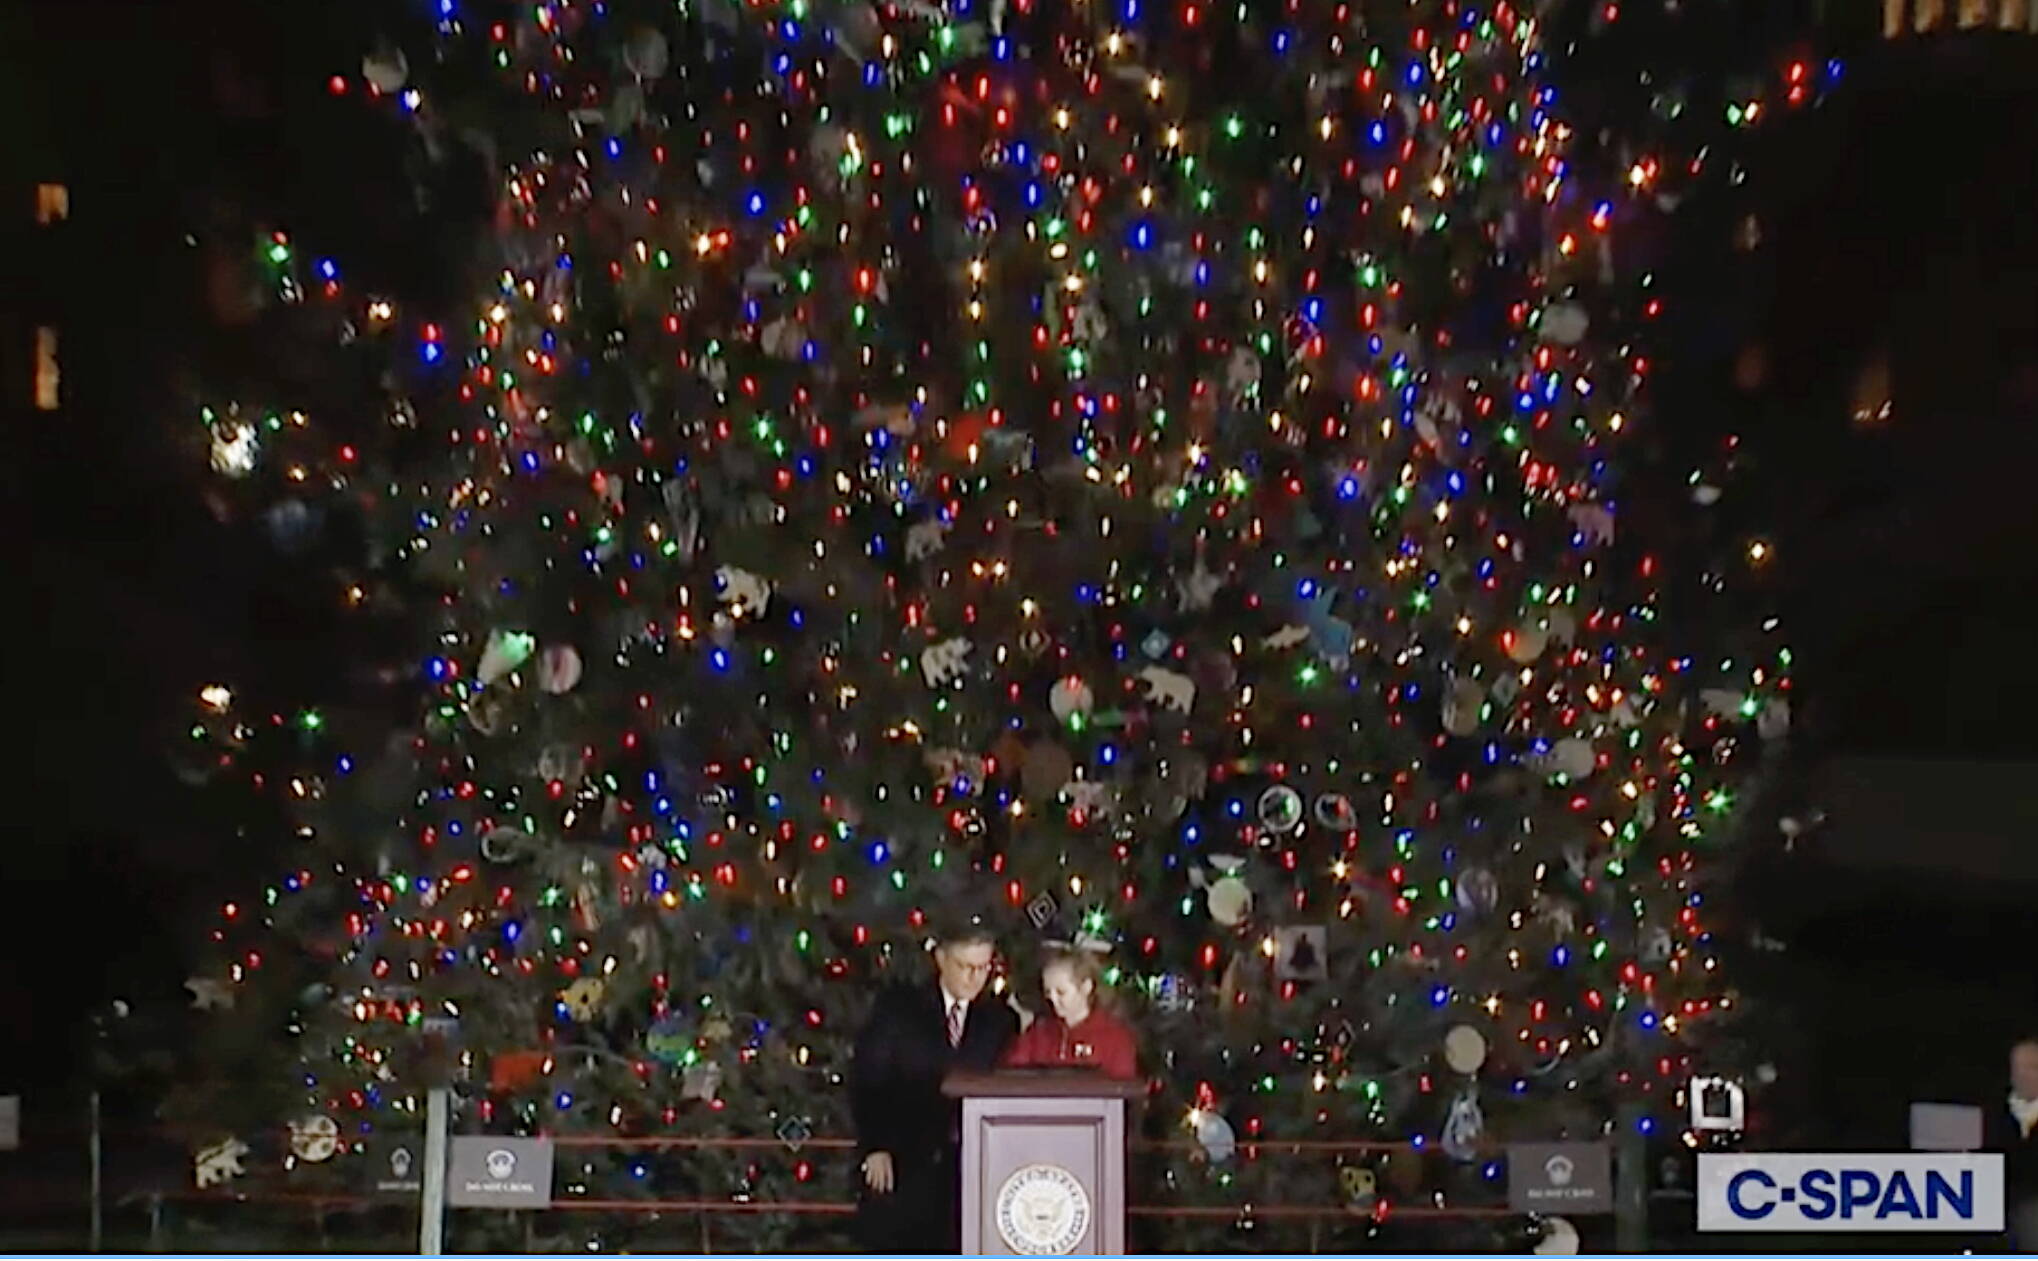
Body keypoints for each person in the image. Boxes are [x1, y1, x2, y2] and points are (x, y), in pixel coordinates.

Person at [850, 920, 1018, 1253]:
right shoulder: (898, 1009)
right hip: (903, 1164)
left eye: (984, 967)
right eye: (965, 966)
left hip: (971, 1171)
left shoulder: (1000, 1020)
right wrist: (876, 1145)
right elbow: (868, 1077)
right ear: (941, 959)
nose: (975, 977)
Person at [1000, 945, 1139, 1080]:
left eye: (1061, 992)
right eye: (1048, 993)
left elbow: (1122, 1090)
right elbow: (1013, 1077)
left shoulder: (1115, 1037)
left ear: (1086, 987)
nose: (1053, 1000)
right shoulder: (1038, 1033)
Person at [1986, 1036, 2038, 1251]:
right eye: (2017, 1067)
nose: (2023, 1075)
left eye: (2032, 1067)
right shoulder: (1992, 1114)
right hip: (1995, 1203)